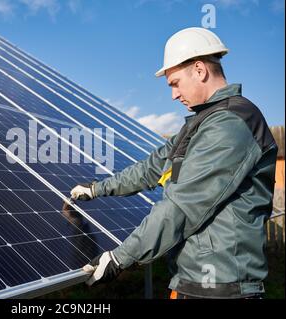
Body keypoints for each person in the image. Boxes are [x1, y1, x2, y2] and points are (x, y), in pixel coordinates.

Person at [71, 27, 277, 299]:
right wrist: (97, 188)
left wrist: (121, 258)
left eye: (175, 83)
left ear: (200, 70)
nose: (173, 95)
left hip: (223, 290)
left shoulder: (231, 124)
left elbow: (183, 205)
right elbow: (149, 169)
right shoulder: (199, 125)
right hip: (190, 283)